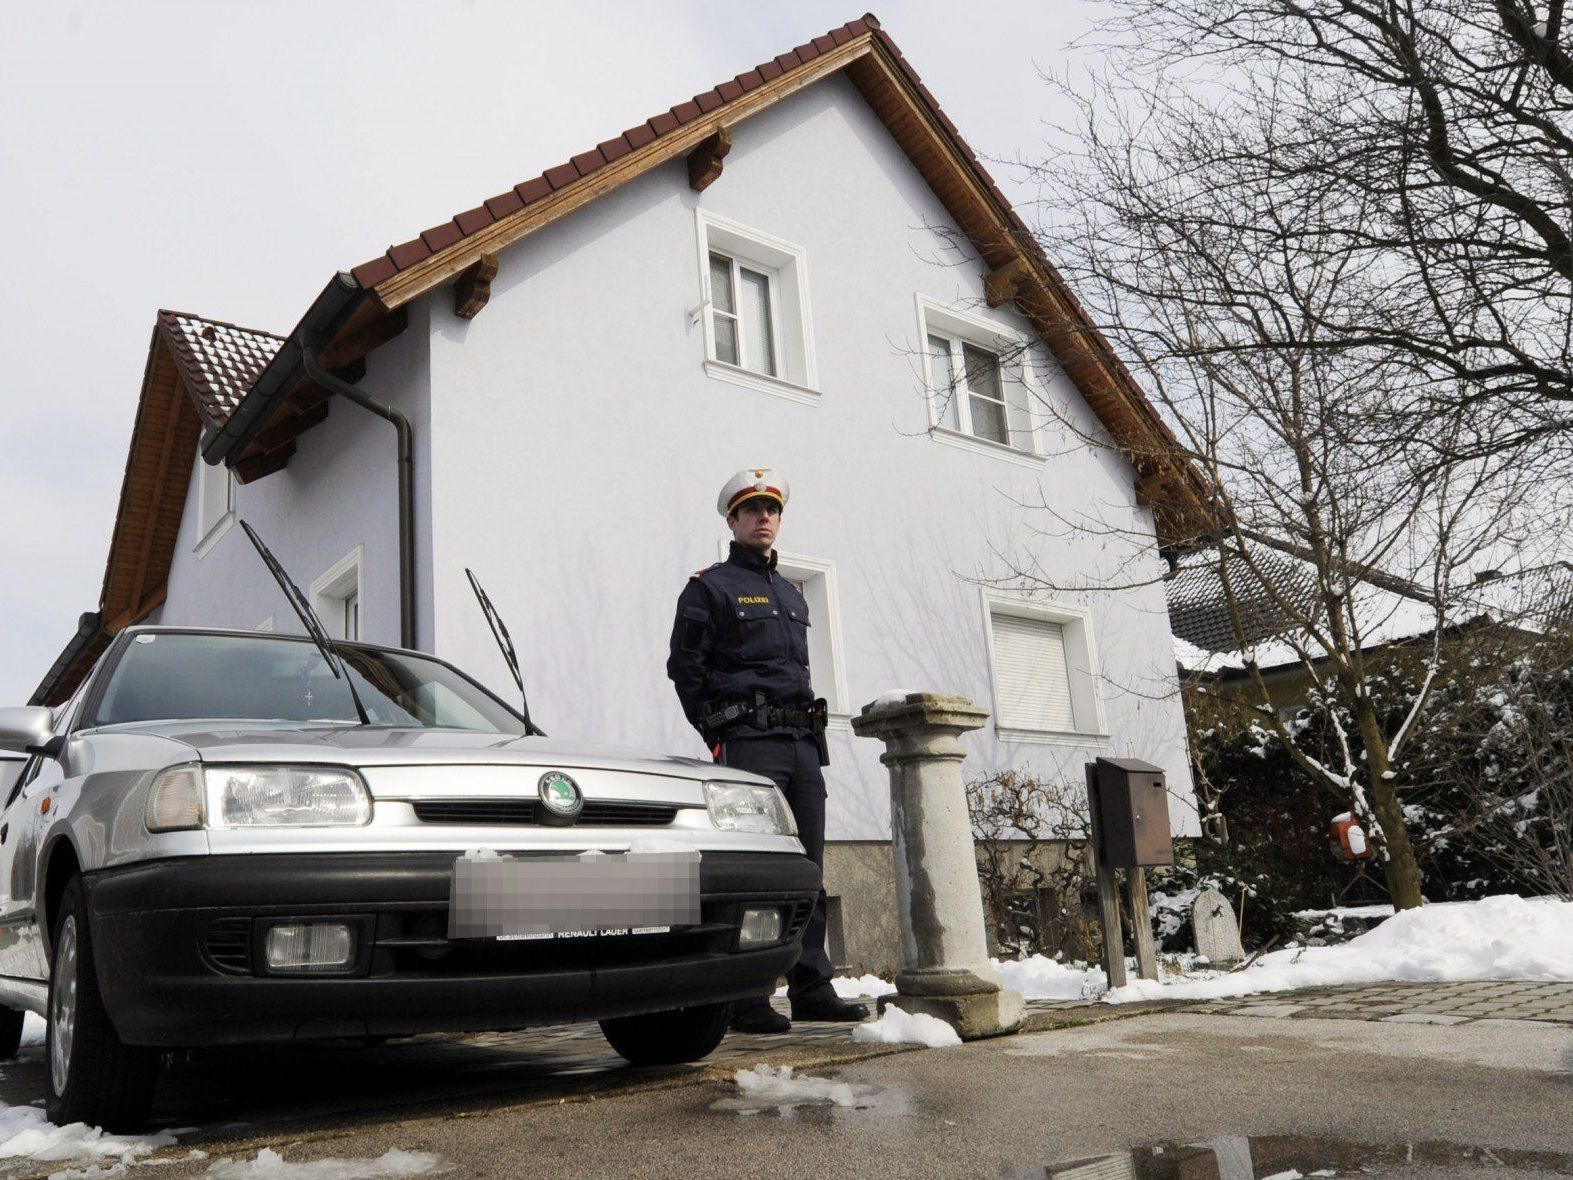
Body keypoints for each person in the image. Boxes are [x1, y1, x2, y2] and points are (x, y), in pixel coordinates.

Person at [666, 468, 869, 1034]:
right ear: (731, 519)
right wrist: (715, 732)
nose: (763, 517)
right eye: (751, 509)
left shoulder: (789, 593)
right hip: (750, 746)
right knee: (757, 873)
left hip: (803, 745)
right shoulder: (710, 587)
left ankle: (812, 987)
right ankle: (747, 994)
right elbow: (685, 669)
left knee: (808, 872)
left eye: (771, 510)